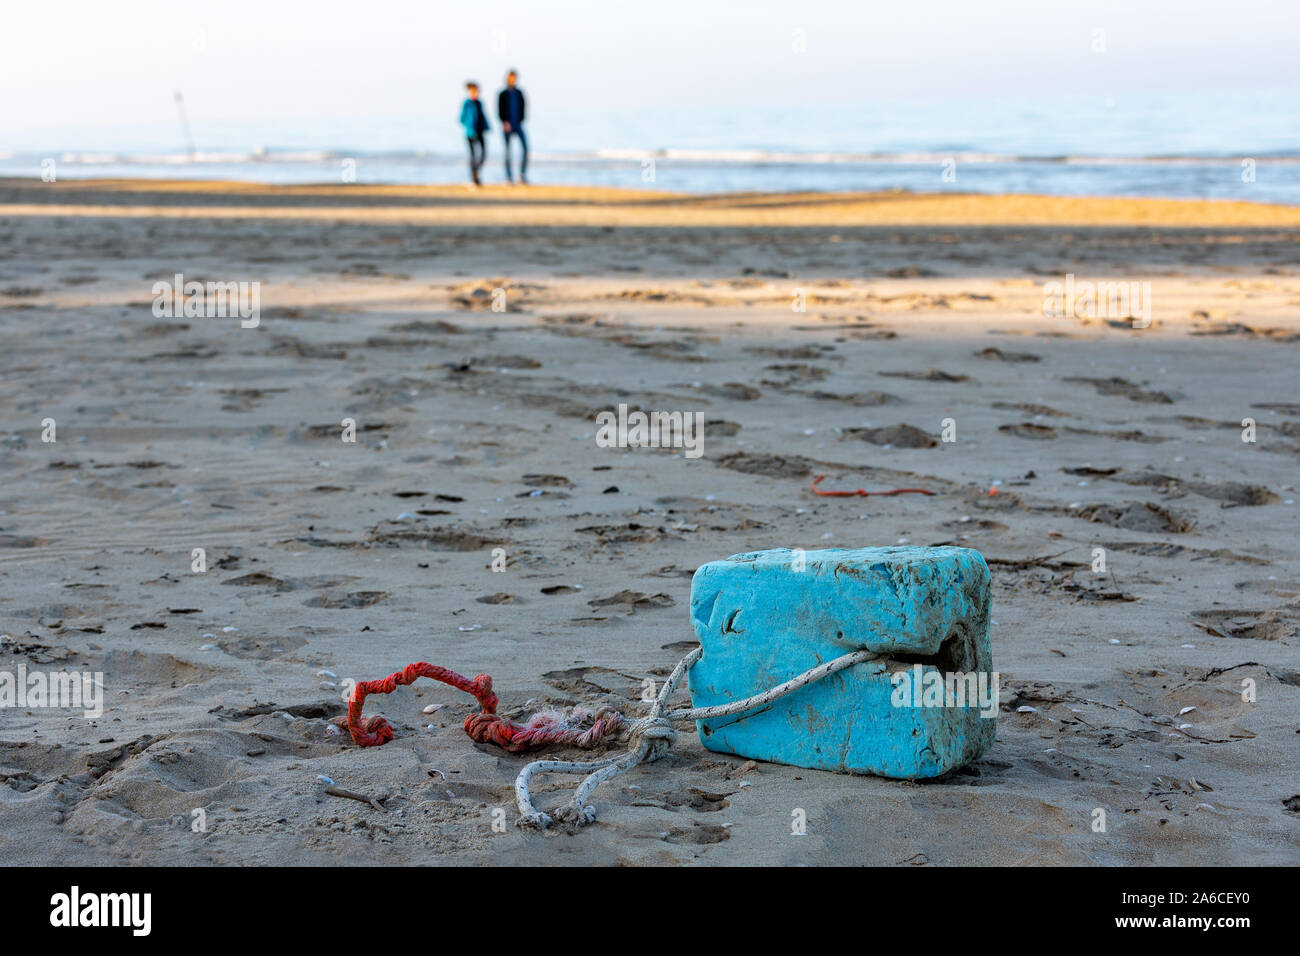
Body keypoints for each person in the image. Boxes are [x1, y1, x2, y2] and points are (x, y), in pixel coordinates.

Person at [497, 70, 528, 185]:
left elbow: (524, 106)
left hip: (518, 124)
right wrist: (504, 122)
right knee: (507, 152)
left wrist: (521, 120)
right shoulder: (503, 93)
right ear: (507, 79)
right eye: (511, 78)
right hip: (507, 125)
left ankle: (522, 175)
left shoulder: (519, 93)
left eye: (514, 78)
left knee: (525, 149)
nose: (513, 80)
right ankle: (509, 177)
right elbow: (499, 109)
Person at [459, 82, 489, 186]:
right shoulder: (467, 103)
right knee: (473, 156)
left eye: (476, 91)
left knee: (483, 154)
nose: (474, 93)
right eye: (472, 91)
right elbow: (461, 119)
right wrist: (469, 125)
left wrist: (486, 126)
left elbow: (483, 116)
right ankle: (474, 178)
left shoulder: (480, 103)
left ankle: (476, 173)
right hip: (470, 133)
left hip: (481, 131)